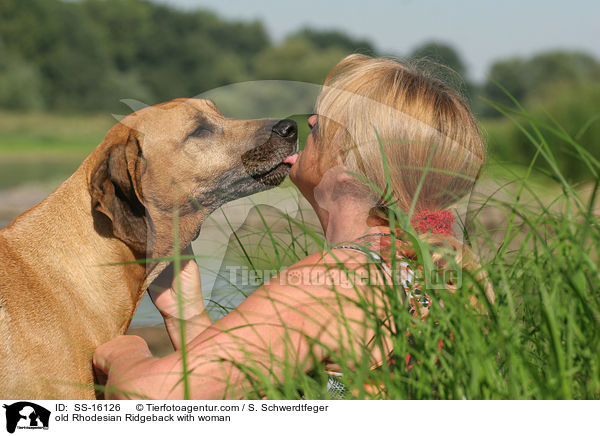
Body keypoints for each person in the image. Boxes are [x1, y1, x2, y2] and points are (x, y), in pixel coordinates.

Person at [93, 54, 494, 399]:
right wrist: (187, 313)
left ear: (356, 168)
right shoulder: (442, 265)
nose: (311, 119)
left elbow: (157, 395)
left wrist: (122, 350)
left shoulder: (332, 281)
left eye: (326, 123)